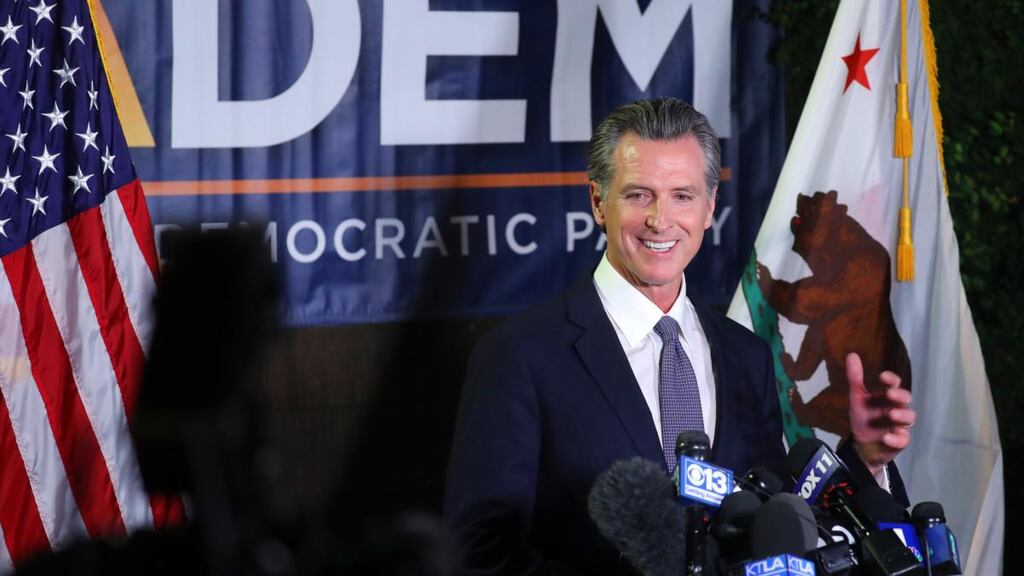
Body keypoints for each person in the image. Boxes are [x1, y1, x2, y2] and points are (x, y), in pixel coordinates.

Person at [443, 98, 916, 575]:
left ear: (709, 208)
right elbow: (479, 550)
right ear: (597, 202)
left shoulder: (745, 355)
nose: (660, 220)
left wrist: (865, 458)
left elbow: (780, 522)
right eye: (638, 195)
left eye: (682, 195)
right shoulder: (519, 355)